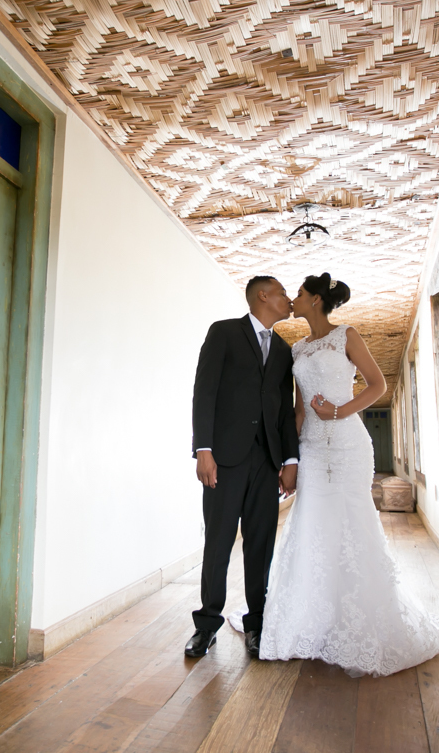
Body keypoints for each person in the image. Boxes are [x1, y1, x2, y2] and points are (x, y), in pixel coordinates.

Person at [256, 273, 439, 676]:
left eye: (299, 293)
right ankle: (308, 621)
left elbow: (377, 385)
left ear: (317, 300)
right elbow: (299, 409)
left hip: (349, 445)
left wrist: (337, 411)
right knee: (311, 523)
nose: (293, 299)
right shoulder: (297, 349)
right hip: (311, 449)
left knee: (353, 525)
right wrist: (288, 460)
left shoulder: (346, 335)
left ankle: (359, 619)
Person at [186, 275, 301, 659]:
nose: (289, 299)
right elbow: (204, 391)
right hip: (223, 459)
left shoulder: (284, 351)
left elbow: (284, 412)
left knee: (261, 545)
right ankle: (206, 626)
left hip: (266, 463)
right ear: (262, 296)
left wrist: (290, 460)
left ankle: (257, 625)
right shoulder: (223, 333)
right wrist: (203, 449)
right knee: (218, 542)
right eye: (283, 293)